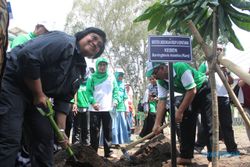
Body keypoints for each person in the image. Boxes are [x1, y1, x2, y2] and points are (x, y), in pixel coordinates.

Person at [0, 27, 106, 166]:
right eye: (94, 37)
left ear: (95, 55)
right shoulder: (64, 41)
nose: (95, 43)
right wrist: (38, 94)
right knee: (10, 136)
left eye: (99, 46)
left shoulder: (80, 69)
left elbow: (64, 98)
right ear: (83, 35)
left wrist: (61, 131)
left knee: (44, 137)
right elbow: (27, 56)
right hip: (13, 83)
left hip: (36, 95)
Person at [147, 61, 213, 165]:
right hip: (188, 93)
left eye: (155, 73)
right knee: (185, 123)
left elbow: (192, 89)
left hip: (203, 89)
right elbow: (162, 101)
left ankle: (212, 159)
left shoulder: (180, 68)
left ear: (162, 68)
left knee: (208, 124)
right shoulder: (161, 81)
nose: (154, 77)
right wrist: (157, 123)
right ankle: (186, 157)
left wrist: (180, 111)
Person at [195, 60, 239, 155]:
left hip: (224, 97)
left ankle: (232, 149)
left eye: (221, 49)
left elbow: (230, 81)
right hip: (209, 96)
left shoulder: (225, 64)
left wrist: (226, 71)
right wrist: (212, 70)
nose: (219, 51)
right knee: (206, 123)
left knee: (227, 124)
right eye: (217, 48)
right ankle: (199, 146)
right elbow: (198, 77)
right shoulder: (205, 64)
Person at [86, 57, 119, 158]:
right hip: (94, 109)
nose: (102, 67)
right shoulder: (91, 77)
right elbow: (88, 91)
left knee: (108, 130)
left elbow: (116, 91)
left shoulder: (111, 77)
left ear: (106, 66)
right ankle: (93, 153)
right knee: (94, 131)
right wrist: (93, 103)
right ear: (97, 66)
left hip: (108, 109)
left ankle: (108, 152)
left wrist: (116, 101)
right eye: (100, 65)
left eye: (104, 65)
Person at [111, 70, 130, 146]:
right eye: (119, 75)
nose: (121, 77)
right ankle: (113, 141)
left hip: (121, 107)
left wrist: (126, 109)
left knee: (121, 125)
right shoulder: (112, 84)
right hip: (113, 107)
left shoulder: (123, 85)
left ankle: (119, 141)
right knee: (113, 125)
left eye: (122, 76)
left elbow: (125, 97)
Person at [237, 68, 250, 140]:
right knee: (248, 123)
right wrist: (247, 75)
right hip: (246, 105)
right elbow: (240, 84)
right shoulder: (244, 76)